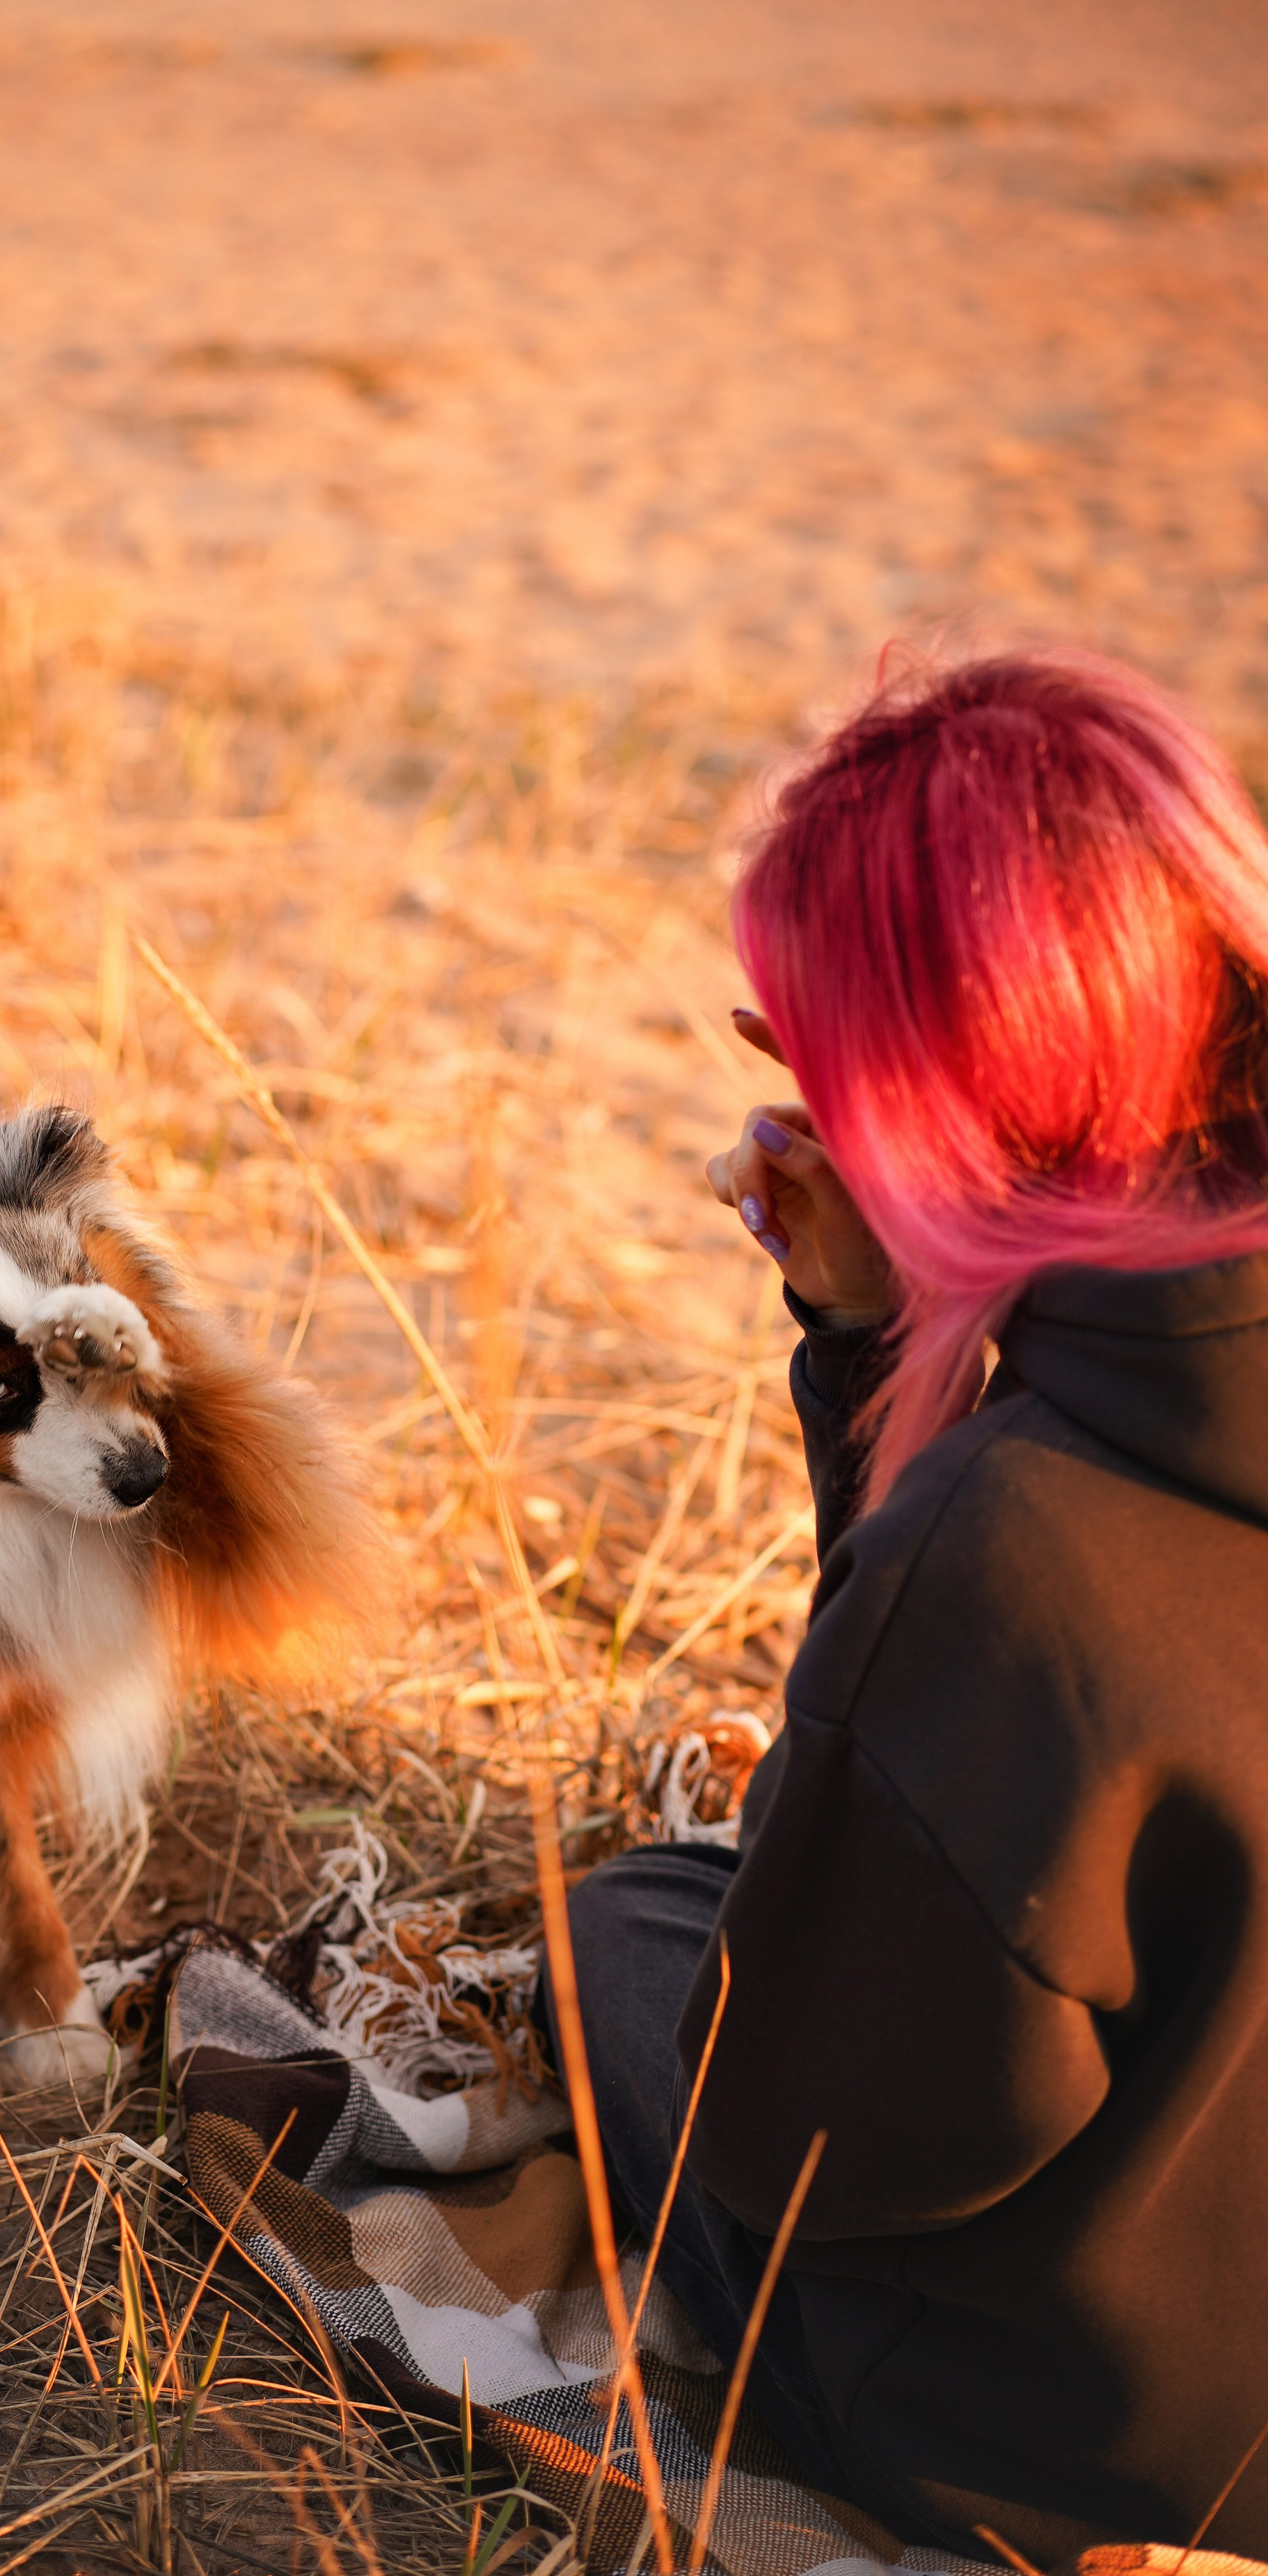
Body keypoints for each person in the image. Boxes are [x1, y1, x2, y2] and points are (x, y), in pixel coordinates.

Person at [543, 651, 1268, 2564]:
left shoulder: (1016, 1543)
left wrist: (885, 1376)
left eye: (807, 1051)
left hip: (1106, 2441)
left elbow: (827, 2150)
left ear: (931, 1103)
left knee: (620, 1928)